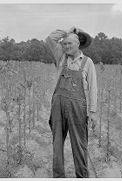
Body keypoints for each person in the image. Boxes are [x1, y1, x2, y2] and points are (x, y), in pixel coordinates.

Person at [46, 27, 97, 178]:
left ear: (78, 44)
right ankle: (58, 177)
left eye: (70, 43)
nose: (66, 47)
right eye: (64, 44)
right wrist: (67, 31)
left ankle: (81, 176)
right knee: (57, 145)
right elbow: (50, 38)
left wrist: (93, 112)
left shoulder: (88, 63)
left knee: (80, 146)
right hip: (58, 106)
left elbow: (93, 88)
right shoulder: (61, 58)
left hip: (77, 108)